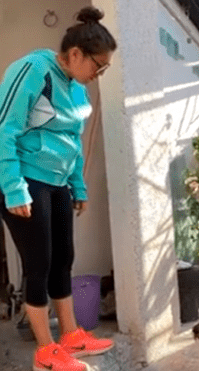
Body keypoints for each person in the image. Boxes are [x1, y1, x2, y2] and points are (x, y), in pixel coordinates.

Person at [0, 6, 117, 371]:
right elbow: (4, 129)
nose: (99, 75)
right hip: (26, 181)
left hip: (58, 185)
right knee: (39, 264)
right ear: (76, 54)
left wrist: (78, 186)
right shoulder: (33, 70)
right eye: (99, 66)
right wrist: (13, 189)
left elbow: (72, 142)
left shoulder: (77, 91)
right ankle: (45, 351)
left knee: (63, 260)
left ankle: (70, 336)